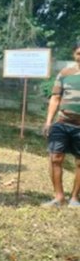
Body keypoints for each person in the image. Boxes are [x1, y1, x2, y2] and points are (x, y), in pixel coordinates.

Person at [42, 43, 80, 207]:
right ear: (74, 54)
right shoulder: (64, 73)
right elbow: (55, 98)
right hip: (62, 123)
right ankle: (59, 197)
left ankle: (74, 198)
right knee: (55, 158)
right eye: (79, 53)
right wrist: (49, 121)